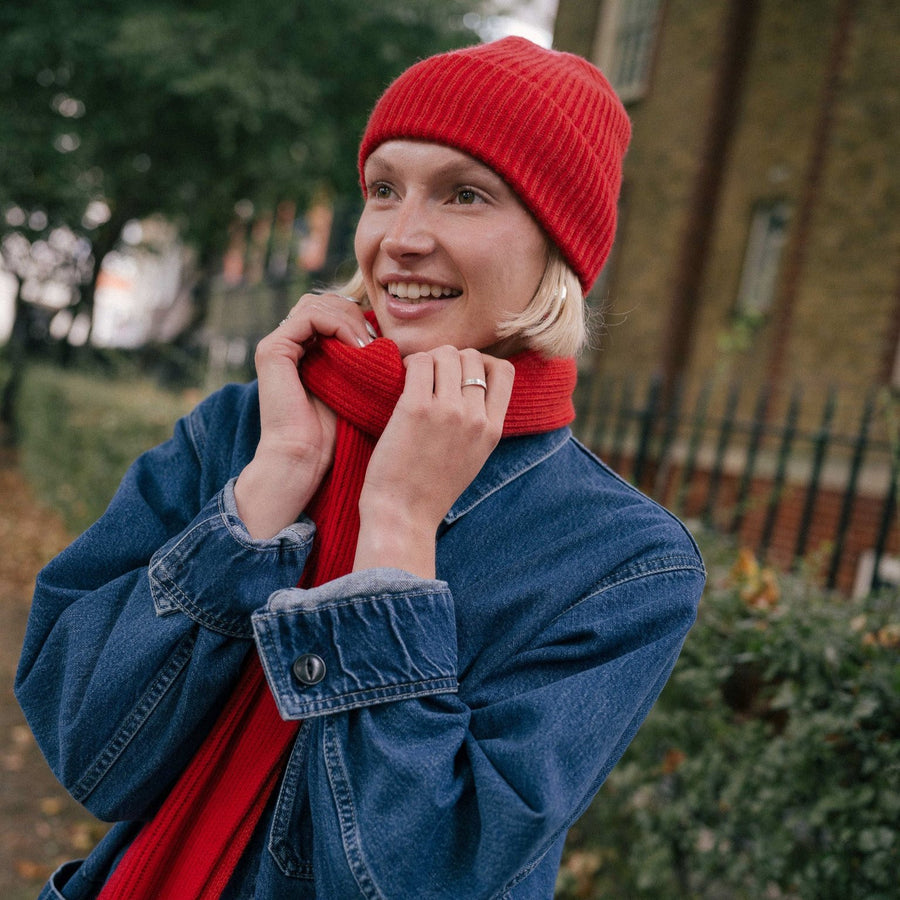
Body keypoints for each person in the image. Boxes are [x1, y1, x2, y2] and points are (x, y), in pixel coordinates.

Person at [16, 36, 705, 900]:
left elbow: (414, 878)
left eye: (465, 194)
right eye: (384, 189)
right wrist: (275, 482)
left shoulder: (622, 562)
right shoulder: (243, 429)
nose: (401, 238)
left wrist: (399, 536)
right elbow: (88, 749)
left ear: (555, 249)